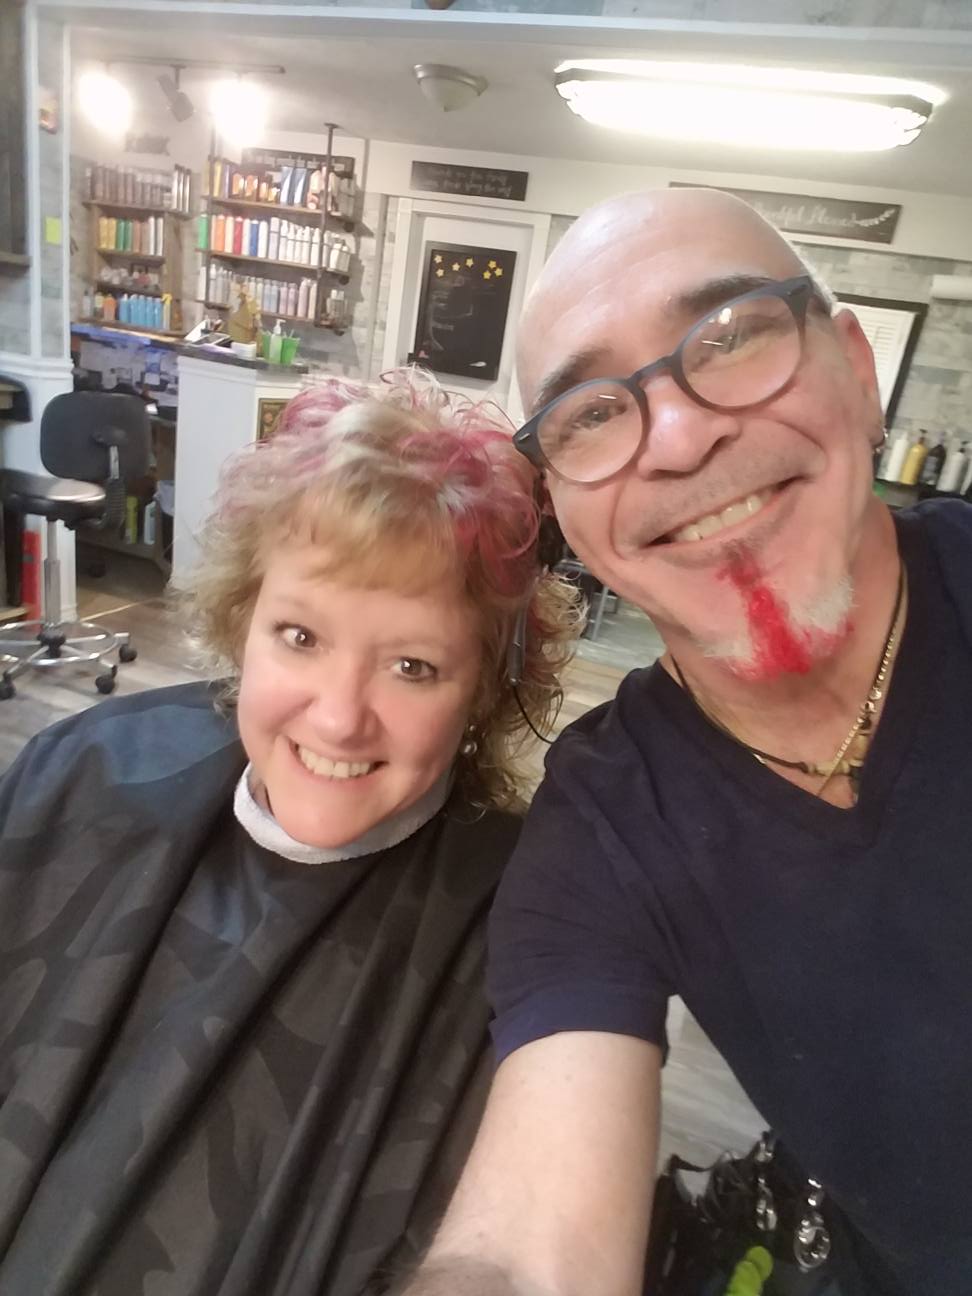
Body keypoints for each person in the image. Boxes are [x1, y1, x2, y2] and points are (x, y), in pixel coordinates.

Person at [397, 190, 972, 1296]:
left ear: (859, 371)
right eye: (589, 414)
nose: (676, 436)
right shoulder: (604, 821)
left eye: (733, 335)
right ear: (560, 506)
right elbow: (531, 1251)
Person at [0, 371, 580, 1296]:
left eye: (412, 665)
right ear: (245, 620)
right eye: (301, 637)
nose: (340, 718)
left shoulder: (530, 931)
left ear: (482, 688)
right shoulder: (86, 773)